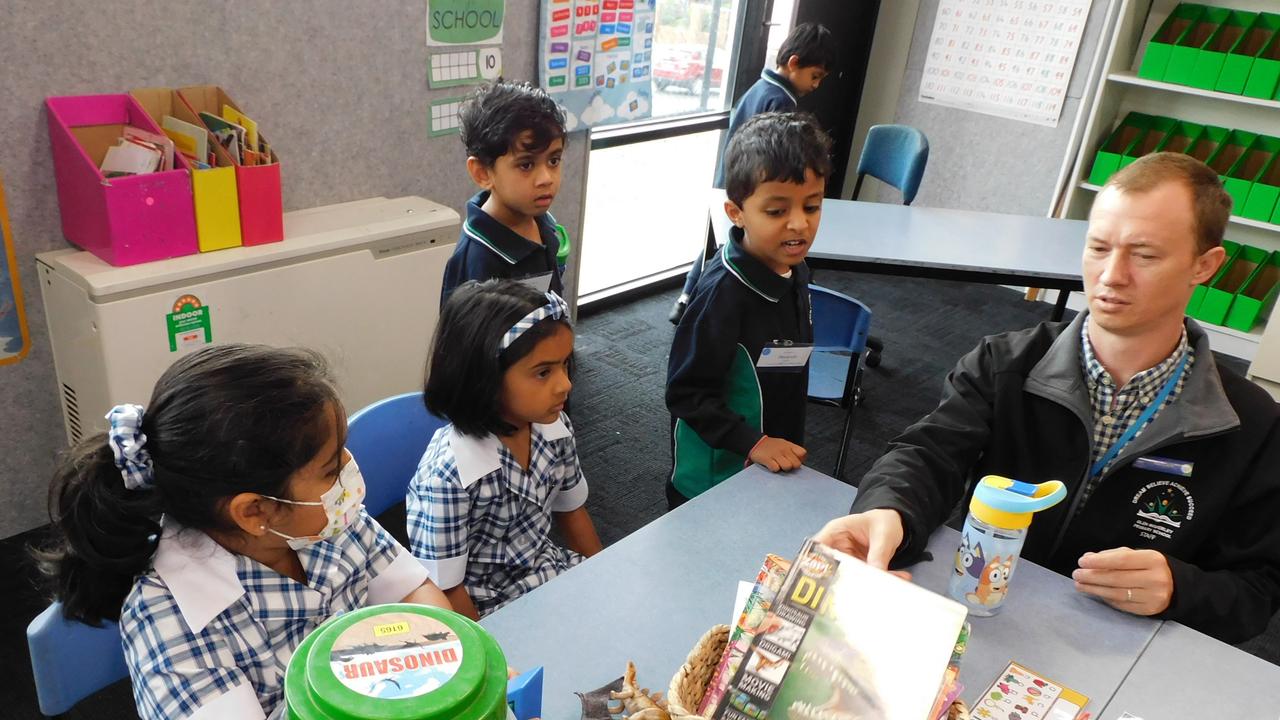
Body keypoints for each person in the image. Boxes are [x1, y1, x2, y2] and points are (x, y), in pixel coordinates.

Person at [815, 152, 1280, 643]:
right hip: (986, 616)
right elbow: (928, 453)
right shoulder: (1004, 364)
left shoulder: (1252, 426)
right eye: (1099, 248)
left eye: (1144, 255)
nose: (1111, 275)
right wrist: (887, 509)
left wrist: (1180, 589)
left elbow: (1256, 591)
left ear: (1203, 265)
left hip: (1123, 649)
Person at [37, 344, 450, 719]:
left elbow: (413, 590)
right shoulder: (175, 622)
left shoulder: (327, 524)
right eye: (330, 469)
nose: (349, 466)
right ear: (254, 511)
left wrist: (449, 664)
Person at [665, 112, 832, 508]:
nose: (799, 225)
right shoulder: (721, 295)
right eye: (776, 211)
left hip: (771, 458)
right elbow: (685, 394)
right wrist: (753, 442)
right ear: (736, 213)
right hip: (712, 480)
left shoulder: (796, 268)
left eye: (812, 207)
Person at [408, 280, 603, 618]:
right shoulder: (447, 477)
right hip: (489, 611)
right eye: (543, 372)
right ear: (484, 378)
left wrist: (606, 578)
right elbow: (447, 590)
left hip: (550, 575)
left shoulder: (554, 428)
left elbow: (572, 512)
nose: (566, 384)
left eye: (565, 365)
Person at [669, 23, 836, 324]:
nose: (816, 85)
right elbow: (776, 157)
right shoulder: (781, 101)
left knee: (716, 245)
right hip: (751, 189)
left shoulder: (757, 88)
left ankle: (685, 297)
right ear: (793, 62)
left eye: (812, 207)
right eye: (815, 76)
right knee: (728, 257)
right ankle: (693, 304)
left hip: (732, 182)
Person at [441, 81, 569, 304]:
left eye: (553, 160)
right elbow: (470, 338)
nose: (546, 179)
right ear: (483, 173)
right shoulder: (478, 260)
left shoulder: (541, 221)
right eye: (526, 165)